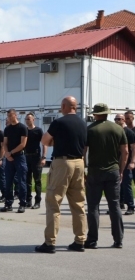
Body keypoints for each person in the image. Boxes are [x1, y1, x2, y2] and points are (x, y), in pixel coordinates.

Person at [35, 96, 88, 254]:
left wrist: (54, 142)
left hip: (62, 163)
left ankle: (50, 242)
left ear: (65, 106)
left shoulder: (59, 122)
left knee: (53, 202)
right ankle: (80, 240)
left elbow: (45, 140)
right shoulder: (83, 123)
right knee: (78, 204)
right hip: (79, 163)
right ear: (75, 107)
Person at [83, 104, 128, 249]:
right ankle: (118, 239)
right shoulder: (118, 129)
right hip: (113, 171)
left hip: (95, 171)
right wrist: (121, 170)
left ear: (95, 114)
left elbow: (83, 151)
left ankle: (92, 239)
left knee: (93, 206)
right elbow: (125, 151)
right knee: (114, 205)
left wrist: (84, 170)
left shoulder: (90, 129)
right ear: (107, 114)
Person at [0, 109, 28, 213]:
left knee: (21, 182)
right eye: (8, 116)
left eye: (11, 115)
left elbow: (22, 144)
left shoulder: (22, 128)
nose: (9, 117)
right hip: (9, 158)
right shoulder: (7, 129)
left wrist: (11, 153)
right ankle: (8, 204)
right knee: (8, 182)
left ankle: (22, 204)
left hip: (19, 157)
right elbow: (5, 143)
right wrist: (7, 154)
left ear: (15, 115)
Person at [24, 113, 46, 209]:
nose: (27, 120)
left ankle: (37, 201)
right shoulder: (24, 131)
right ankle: (28, 200)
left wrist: (43, 157)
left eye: (29, 119)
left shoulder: (38, 130)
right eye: (26, 119)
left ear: (33, 120)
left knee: (37, 180)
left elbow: (44, 144)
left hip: (36, 157)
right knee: (27, 180)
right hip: (26, 157)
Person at [115, 114, 135, 215]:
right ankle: (118, 204)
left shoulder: (129, 132)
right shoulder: (114, 132)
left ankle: (131, 206)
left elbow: (133, 148)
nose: (117, 121)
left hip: (127, 162)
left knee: (126, 183)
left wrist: (132, 162)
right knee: (117, 184)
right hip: (116, 162)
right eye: (116, 119)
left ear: (123, 120)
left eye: (119, 119)